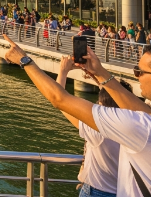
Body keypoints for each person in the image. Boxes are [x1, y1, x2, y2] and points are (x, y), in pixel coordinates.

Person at [3, 34, 151, 197]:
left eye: (140, 72)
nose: (136, 76)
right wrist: (100, 73)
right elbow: (146, 112)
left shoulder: (144, 129)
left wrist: (24, 60)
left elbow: (59, 99)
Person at [55, 55, 131, 197]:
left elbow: (59, 100)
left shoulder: (97, 129)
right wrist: (95, 75)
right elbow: (113, 97)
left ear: (101, 104)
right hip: (122, 191)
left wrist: (63, 71)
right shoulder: (135, 123)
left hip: (96, 191)